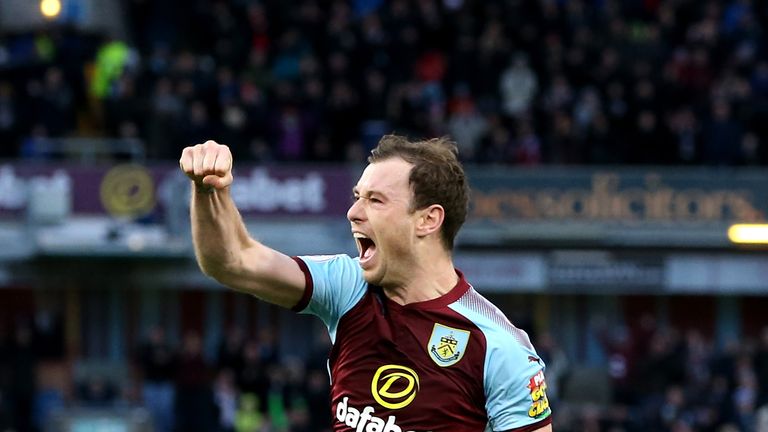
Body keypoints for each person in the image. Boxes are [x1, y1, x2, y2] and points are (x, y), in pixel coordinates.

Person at [179, 135, 553, 431]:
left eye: (375, 201)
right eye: (357, 197)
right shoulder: (348, 287)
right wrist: (209, 190)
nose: (353, 212)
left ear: (428, 220)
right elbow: (232, 261)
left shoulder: (499, 347)